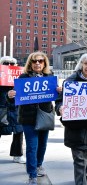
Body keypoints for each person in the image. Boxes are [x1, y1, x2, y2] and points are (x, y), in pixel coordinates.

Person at [7, 51, 60, 185]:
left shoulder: (50, 76)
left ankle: (38, 165)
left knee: (42, 145)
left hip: (45, 115)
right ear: (30, 63)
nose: (37, 63)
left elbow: (56, 97)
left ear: (44, 63)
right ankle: (32, 174)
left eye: (40, 61)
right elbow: (14, 100)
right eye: (34, 61)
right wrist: (10, 95)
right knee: (32, 146)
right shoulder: (23, 77)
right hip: (28, 117)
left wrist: (60, 91)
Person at [55, 53, 87, 185]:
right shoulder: (70, 83)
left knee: (85, 164)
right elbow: (59, 102)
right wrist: (60, 108)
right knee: (80, 163)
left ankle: (83, 180)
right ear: (81, 65)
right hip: (76, 130)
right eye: (86, 63)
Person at [0, 56, 26, 164]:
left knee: (19, 132)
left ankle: (17, 155)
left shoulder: (19, 79)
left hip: (16, 109)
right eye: (6, 63)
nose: (9, 66)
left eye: (12, 64)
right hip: (2, 109)